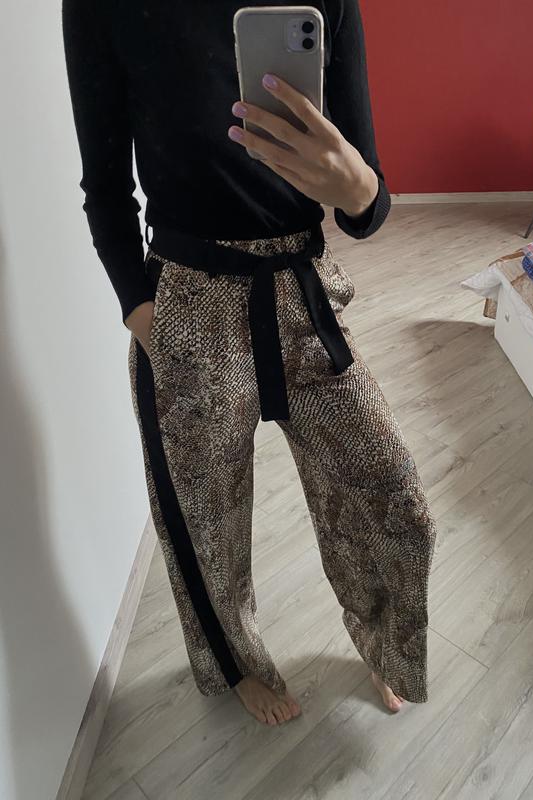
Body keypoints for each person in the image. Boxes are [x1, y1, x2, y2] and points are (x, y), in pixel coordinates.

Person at [62, 0, 438, 726]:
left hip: (302, 289)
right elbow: (103, 185)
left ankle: (384, 638)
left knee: (393, 499)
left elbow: (368, 203)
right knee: (206, 526)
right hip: (188, 299)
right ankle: (238, 666)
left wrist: (358, 189)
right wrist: (141, 310)